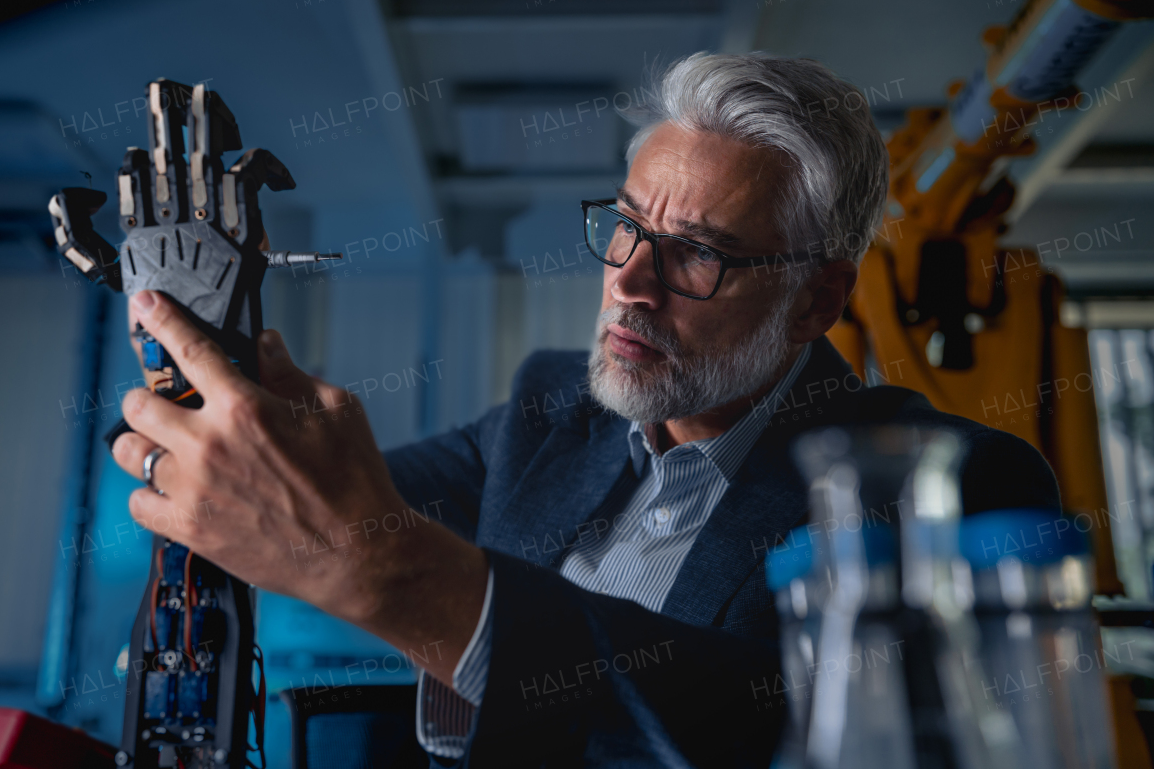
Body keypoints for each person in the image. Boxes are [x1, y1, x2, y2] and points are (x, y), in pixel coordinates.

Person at [110, 52, 1060, 767]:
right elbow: (329, 500)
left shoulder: (942, 481)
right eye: (626, 228)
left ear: (814, 301)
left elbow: (790, 728)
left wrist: (399, 579)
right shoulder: (550, 410)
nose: (630, 283)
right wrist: (229, 401)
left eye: (698, 254)